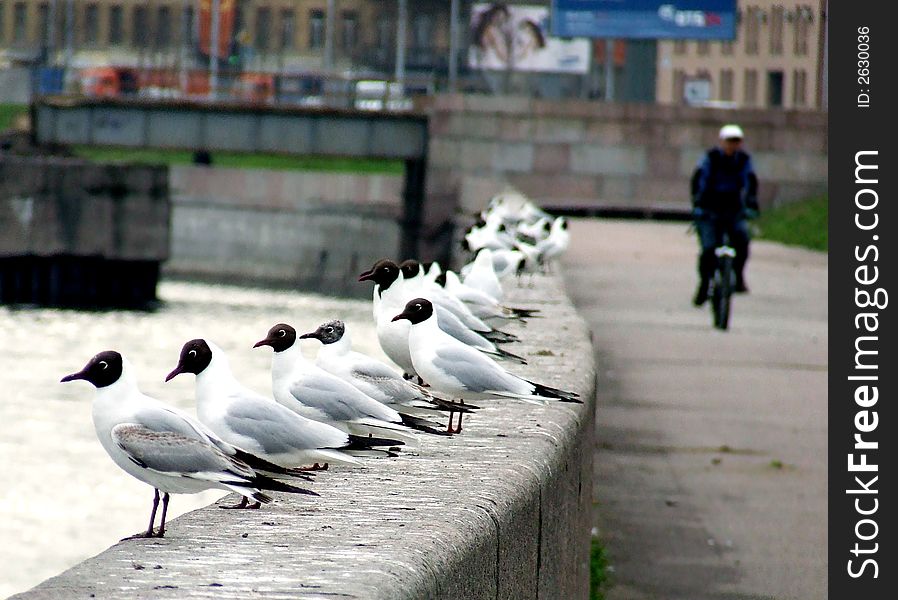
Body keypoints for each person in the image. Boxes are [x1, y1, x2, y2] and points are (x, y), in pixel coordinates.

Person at [691, 124, 759, 306]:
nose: (732, 145)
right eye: (729, 141)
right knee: (708, 249)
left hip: (733, 208)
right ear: (722, 142)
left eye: (736, 141)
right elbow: (699, 180)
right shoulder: (711, 158)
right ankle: (705, 283)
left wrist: (751, 202)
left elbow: (750, 181)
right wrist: (697, 203)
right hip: (710, 208)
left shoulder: (743, 160)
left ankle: (738, 276)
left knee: (742, 240)